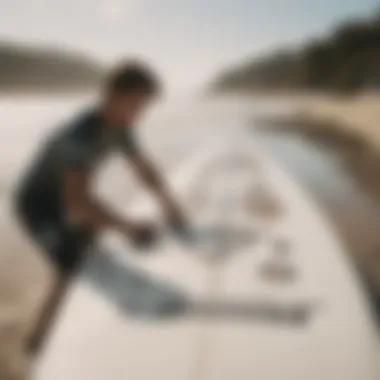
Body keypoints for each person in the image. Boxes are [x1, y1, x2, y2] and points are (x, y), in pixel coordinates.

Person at [14, 61, 186, 355]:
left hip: (68, 197)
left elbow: (144, 171)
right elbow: (78, 204)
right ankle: (36, 343)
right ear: (111, 95)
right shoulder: (81, 133)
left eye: (145, 106)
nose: (140, 114)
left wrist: (169, 204)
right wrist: (128, 227)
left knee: (92, 250)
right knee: (70, 262)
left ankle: (71, 317)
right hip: (37, 205)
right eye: (136, 104)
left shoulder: (122, 128)